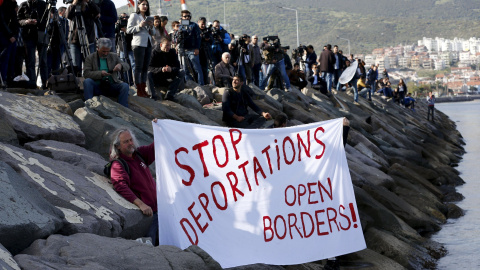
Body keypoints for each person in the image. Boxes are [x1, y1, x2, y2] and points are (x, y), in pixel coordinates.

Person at [109, 125, 158, 245]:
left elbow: (156, 147)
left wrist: (160, 128)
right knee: (153, 248)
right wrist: (141, 204)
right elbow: (121, 186)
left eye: (131, 139)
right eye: (126, 142)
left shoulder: (139, 154)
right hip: (149, 215)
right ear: (118, 146)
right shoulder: (118, 165)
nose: (130, 143)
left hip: (160, 209)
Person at [83, 38, 130, 107]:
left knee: (125, 86)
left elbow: (127, 66)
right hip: (97, 86)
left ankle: (123, 108)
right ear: (98, 48)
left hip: (111, 85)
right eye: (103, 51)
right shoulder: (90, 58)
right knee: (87, 81)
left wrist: (121, 65)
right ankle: (88, 105)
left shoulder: (113, 56)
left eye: (108, 51)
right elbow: (86, 74)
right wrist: (100, 73)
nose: (106, 53)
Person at [17, 0, 48, 88]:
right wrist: (26, 22)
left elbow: (48, 19)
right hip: (29, 35)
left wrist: (37, 22)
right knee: (30, 61)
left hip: (41, 34)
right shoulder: (23, 5)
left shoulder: (43, 4)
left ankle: (45, 83)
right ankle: (32, 83)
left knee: (43, 61)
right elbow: (18, 20)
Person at [127, 0, 155, 97]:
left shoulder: (148, 17)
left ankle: (143, 89)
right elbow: (128, 30)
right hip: (138, 43)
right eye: (143, 4)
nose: (145, 6)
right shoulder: (134, 16)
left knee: (145, 67)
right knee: (138, 67)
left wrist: (151, 26)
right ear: (138, 5)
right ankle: (139, 89)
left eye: (146, 5)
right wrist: (139, 26)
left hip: (148, 43)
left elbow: (154, 33)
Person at [66, 0, 100, 76]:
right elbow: (68, 16)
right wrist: (74, 3)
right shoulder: (74, 6)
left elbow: (97, 12)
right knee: (75, 65)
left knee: (89, 64)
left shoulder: (90, 6)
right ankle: (77, 83)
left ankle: (88, 82)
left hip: (89, 40)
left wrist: (89, 1)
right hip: (75, 40)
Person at [175, 10, 204, 85]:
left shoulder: (194, 25)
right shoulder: (180, 26)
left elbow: (198, 37)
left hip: (192, 49)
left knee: (197, 67)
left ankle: (201, 84)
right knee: (185, 69)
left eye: (188, 16)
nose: (187, 17)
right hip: (183, 50)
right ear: (182, 17)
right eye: (185, 16)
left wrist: (197, 48)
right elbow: (177, 39)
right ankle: (189, 84)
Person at [0, 0, 19, 85]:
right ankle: (3, 79)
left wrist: (14, 35)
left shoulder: (13, 5)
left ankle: (7, 79)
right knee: (4, 58)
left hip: (11, 37)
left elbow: (15, 21)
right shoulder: (3, 4)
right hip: (4, 35)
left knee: (10, 60)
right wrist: (10, 35)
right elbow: (2, 21)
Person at [198, 17, 213, 84]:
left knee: (205, 69)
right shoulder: (196, 30)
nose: (203, 26)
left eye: (204, 24)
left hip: (206, 52)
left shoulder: (208, 31)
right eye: (202, 24)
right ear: (198, 23)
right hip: (198, 51)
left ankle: (206, 83)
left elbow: (212, 40)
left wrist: (208, 38)